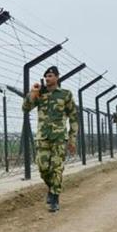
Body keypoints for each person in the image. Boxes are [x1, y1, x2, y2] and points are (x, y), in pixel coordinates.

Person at [22, 66, 78, 212]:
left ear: (57, 77)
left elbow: (73, 117)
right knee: (42, 167)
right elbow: (25, 108)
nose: (47, 78)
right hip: (43, 137)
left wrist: (72, 139)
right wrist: (32, 93)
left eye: (51, 76)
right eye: (46, 76)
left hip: (59, 137)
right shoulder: (40, 94)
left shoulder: (65, 95)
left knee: (56, 168)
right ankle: (51, 187)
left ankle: (55, 197)